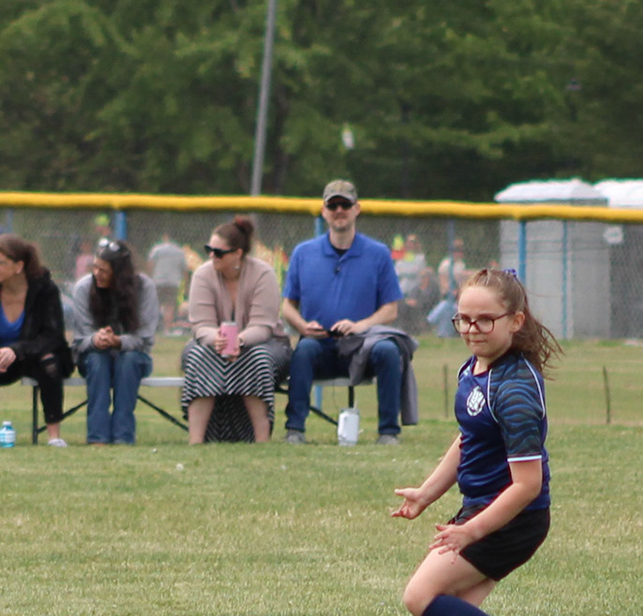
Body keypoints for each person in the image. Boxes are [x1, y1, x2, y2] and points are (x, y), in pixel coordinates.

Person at [390, 268, 566, 616]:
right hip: (485, 511)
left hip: (513, 518)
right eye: (463, 319)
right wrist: (428, 492)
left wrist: (471, 531)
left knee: (420, 597)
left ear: (515, 321)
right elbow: (469, 437)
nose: (472, 329)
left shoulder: (515, 389)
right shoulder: (475, 368)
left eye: (485, 320)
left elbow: (526, 485)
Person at [280, 180, 407, 444]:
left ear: (356, 209)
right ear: (324, 211)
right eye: (333, 205)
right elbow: (287, 305)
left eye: (345, 205)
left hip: (362, 346)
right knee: (303, 350)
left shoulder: (378, 253)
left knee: (388, 350)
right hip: (320, 345)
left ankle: (388, 431)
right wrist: (302, 326)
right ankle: (295, 430)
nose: (339, 210)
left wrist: (360, 326)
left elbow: (390, 310)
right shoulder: (304, 253)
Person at [0, 234, 71, 448]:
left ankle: (54, 437)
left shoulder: (45, 290)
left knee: (50, 362)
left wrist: (17, 350)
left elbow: (53, 336)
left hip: (31, 357)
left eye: (1, 262)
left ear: (19, 266)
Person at [181, 216, 286, 443]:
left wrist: (239, 341)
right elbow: (200, 325)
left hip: (265, 343)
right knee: (198, 355)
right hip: (213, 343)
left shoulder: (263, 274)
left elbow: (264, 326)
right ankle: (196, 440)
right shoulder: (202, 275)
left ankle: (261, 439)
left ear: (238, 253)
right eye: (209, 250)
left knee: (257, 358)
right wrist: (217, 339)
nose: (212, 256)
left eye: (218, 252)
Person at [67, 238, 158, 446]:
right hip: (93, 357)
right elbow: (79, 340)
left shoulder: (144, 287)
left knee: (128, 360)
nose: (97, 274)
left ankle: (122, 437)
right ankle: (97, 438)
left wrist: (118, 341)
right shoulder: (83, 288)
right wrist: (96, 339)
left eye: (104, 271)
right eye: (95, 267)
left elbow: (145, 338)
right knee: (97, 360)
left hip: (134, 358)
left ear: (120, 273)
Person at [429, 237, 473, 335]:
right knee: (448, 307)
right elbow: (444, 284)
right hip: (448, 296)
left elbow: (463, 278)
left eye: (461, 251)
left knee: (454, 307)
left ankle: (435, 323)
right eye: (457, 251)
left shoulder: (460, 264)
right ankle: (434, 323)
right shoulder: (446, 264)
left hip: (459, 296)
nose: (460, 253)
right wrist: (453, 291)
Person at [147, 232, 187, 333]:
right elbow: (184, 270)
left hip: (157, 281)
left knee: (155, 305)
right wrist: (185, 283)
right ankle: (167, 329)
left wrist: (150, 277)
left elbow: (150, 264)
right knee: (170, 306)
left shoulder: (157, 249)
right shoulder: (180, 252)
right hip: (173, 282)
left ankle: (152, 328)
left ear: (165, 237)